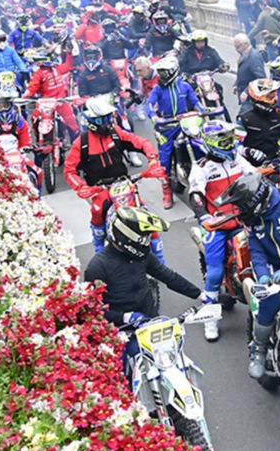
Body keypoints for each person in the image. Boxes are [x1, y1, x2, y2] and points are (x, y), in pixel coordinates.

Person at [83, 207, 202, 392]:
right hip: (122, 331)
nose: (147, 243)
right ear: (127, 238)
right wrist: (124, 317)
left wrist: (201, 295)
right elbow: (92, 311)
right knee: (120, 382)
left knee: (177, 360)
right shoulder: (97, 267)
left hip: (151, 324)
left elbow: (168, 276)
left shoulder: (142, 256)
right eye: (143, 238)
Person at [217, 172, 280, 378]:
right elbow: (257, 254)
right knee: (270, 299)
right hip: (274, 273)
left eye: (242, 207)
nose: (241, 211)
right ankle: (259, 350)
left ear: (254, 202)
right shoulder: (255, 223)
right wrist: (263, 276)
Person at [187, 120, 256, 341]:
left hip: (246, 219)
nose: (230, 144)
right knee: (215, 272)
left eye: (230, 139)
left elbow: (255, 176)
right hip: (219, 225)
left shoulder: (237, 159)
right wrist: (204, 216)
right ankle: (210, 320)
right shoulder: (201, 167)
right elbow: (196, 195)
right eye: (224, 141)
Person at [64, 95, 161, 251]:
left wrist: (152, 159)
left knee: (147, 216)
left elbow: (141, 142)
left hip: (124, 184)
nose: (108, 122)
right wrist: (81, 186)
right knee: (97, 210)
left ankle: (159, 258)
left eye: (109, 118)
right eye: (103, 119)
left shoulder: (116, 133)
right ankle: (99, 248)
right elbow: (69, 171)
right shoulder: (81, 143)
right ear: (91, 121)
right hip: (100, 189)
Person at [145, 54, 201, 209]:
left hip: (185, 122)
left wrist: (203, 110)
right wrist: (154, 117)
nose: (161, 76)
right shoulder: (158, 89)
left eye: (163, 73)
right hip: (167, 126)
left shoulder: (185, 86)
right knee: (165, 160)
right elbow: (149, 104)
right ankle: (167, 193)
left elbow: (195, 101)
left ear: (173, 71)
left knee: (200, 143)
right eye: (159, 73)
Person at [238, 79, 280, 165]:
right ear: (258, 98)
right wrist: (248, 151)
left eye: (275, 95)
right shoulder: (244, 119)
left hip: (275, 162)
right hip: (252, 166)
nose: (275, 100)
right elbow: (236, 146)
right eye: (270, 97)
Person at [234, 33, 268, 107]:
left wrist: (246, 91)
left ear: (245, 44)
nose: (236, 50)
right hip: (246, 97)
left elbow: (261, 78)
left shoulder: (254, 57)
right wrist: (236, 84)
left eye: (238, 47)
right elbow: (243, 72)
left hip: (251, 98)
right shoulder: (244, 55)